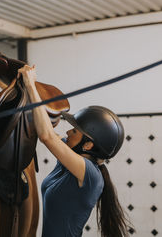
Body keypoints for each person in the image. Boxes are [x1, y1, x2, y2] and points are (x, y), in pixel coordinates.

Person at [18, 65, 130, 237]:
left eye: (75, 131)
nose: (68, 132)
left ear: (88, 145)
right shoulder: (70, 160)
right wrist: (24, 86)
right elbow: (47, 131)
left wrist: (31, 84)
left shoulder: (90, 175)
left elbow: (47, 137)